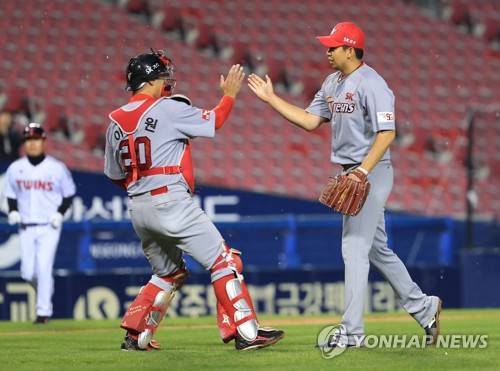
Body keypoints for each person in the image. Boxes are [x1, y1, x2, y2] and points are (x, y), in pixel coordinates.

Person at [248, 22, 442, 348]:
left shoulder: (372, 84)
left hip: (373, 170)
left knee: (353, 248)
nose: (327, 51)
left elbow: (387, 133)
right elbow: (310, 121)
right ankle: (425, 308)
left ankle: (351, 333)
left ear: (350, 50)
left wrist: (362, 172)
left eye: (333, 47)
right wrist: (271, 99)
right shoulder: (332, 82)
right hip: (353, 171)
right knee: (376, 249)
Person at [104, 49, 284, 351]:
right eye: (162, 76)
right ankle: (248, 333)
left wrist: (144, 186)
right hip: (170, 200)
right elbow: (214, 121)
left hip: (138, 205)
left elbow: (114, 173)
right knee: (224, 260)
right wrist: (229, 95)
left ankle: (136, 337)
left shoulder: (115, 123)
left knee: (168, 272)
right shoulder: (167, 108)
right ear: (148, 81)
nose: (167, 81)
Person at [4, 123, 76, 324]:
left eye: (35, 139)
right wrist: (13, 211)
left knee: (44, 267)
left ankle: (43, 312)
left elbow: (68, 195)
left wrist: (60, 214)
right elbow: (10, 195)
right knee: (28, 273)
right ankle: (45, 288)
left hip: (48, 225)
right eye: (28, 140)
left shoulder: (56, 167)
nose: (32, 143)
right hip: (26, 226)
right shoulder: (16, 168)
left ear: (43, 141)